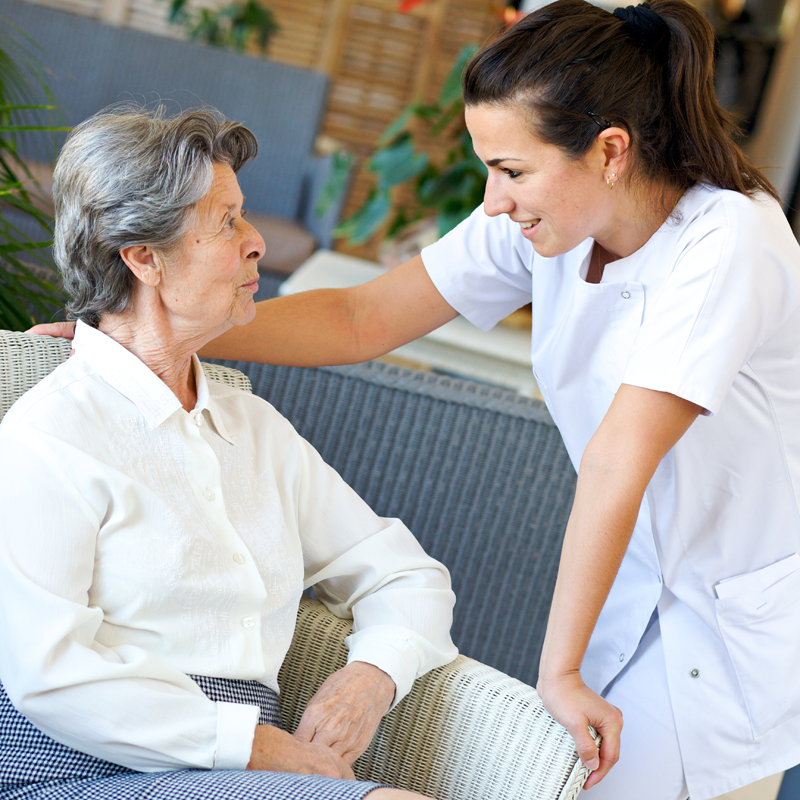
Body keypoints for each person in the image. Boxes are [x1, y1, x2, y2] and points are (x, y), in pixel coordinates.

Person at [30, 0, 800, 798]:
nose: (494, 199)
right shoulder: (541, 219)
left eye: (511, 169)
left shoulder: (731, 241)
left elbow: (617, 457)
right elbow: (363, 315)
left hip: (730, 617)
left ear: (610, 152)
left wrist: (559, 669)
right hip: (634, 588)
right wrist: (149, 332)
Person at [0, 106, 459, 800]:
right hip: (82, 774)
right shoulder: (51, 434)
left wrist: (371, 676)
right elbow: (49, 670)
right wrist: (256, 746)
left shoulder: (257, 431)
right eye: (226, 222)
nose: (255, 244)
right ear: (143, 257)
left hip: (235, 772)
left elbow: (406, 575)